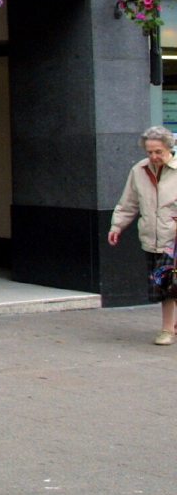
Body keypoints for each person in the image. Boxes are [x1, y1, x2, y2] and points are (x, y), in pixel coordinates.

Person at [107, 125, 177, 345]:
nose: (154, 156)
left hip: (174, 237)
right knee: (163, 285)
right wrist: (117, 226)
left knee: (169, 282)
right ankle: (169, 329)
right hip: (152, 237)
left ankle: (168, 329)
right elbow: (129, 202)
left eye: (158, 152)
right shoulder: (139, 170)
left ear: (169, 148)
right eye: (149, 152)